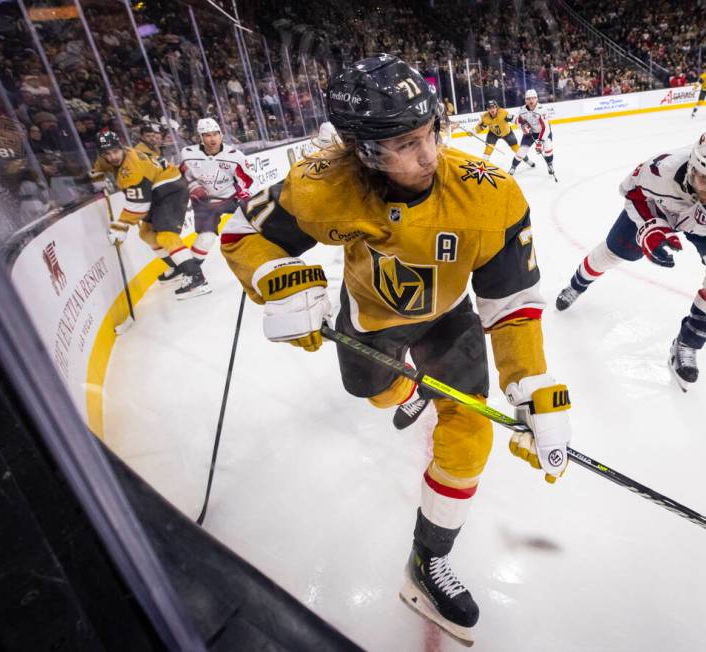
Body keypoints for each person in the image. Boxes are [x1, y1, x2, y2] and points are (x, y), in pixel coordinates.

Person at [219, 54, 572, 645]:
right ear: (362, 149)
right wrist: (273, 279)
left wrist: (532, 385)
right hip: (370, 321)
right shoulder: (322, 182)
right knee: (378, 393)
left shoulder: (491, 195)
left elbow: (512, 302)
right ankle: (408, 389)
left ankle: (427, 561)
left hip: (449, 317)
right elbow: (242, 233)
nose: (429, 154)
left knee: (470, 434)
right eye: (406, 144)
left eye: (431, 131)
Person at [555, 129, 706, 391]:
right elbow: (633, 193)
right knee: (614, 251)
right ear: (693, 165)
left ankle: (687, 343)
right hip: (660, 210)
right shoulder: (661, 169)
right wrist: (650, 227)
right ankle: (577, 284)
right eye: (705, 177)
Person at [93, 130, 209, 298]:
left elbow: (139, 205)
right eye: (107, 154)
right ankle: (176, 267)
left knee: (166, 235)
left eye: (115, 151)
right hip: (157, 190)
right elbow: (100, 166)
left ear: (121, 148)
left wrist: (121, 227)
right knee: (146, 233)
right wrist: (96, 179)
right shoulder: (113, 156)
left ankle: (196, 278)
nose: (113, 157)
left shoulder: (132, 168)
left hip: (171, 189)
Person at [178, 117, 254, 277]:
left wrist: (243, 195)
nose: (212, 139)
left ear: (221, 135)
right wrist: (194, 187)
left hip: (231, 198)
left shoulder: (234, 155)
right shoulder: (188, 154)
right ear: (200, 137)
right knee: (205, 238)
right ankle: (192, 275)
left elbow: (249, 179)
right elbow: (184, 175)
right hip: (206, 204)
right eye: (207, 135)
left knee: (257, 221)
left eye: (215, 134)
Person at [472, 99, 533, 171]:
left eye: (494, 107)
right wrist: (473, 131)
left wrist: (522, 125)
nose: (492, 110)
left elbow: (514, 120)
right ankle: (483, 165)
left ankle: (528, 161)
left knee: (516, 148)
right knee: (489, 148)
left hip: (507, 133)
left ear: (497, 107)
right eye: (490, 108)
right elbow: (481, 127)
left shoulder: (503, 113)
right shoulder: (485, 117)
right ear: (487, 109)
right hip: (493, 133)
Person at [514, 89, 556, 179]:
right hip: (531, 133)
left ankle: (550, 165)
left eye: (533, 98)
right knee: (521, 151)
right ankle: (513, 167)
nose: (531, 100)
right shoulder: (522, 110)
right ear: (525, 100)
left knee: (548, 147)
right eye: (528, 99)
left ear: (537, 99)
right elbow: (520, 122)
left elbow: (545, 128)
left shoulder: (542, 109)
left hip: (543, 132)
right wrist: (523, 127)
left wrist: (540, 142)